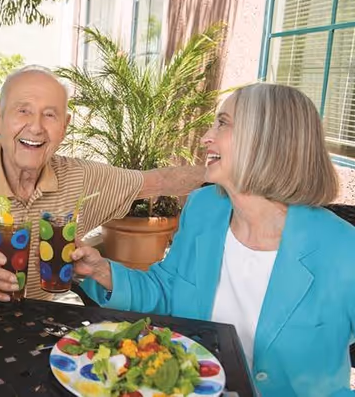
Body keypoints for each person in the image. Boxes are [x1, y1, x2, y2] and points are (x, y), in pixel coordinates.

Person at [75, 83, 355, 396]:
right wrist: (101, 272)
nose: (207, 136)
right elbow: (167, 293)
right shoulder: (203, 209)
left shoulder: (344, 250)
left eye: (222, 123)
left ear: (265, 139)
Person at [0, 65, 205, 302]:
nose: (36, 127)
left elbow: (159, 181)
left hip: (42, 331)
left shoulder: (82, 177)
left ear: (65, 127)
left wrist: (229, 174)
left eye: (50, 115)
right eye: (23, 111)